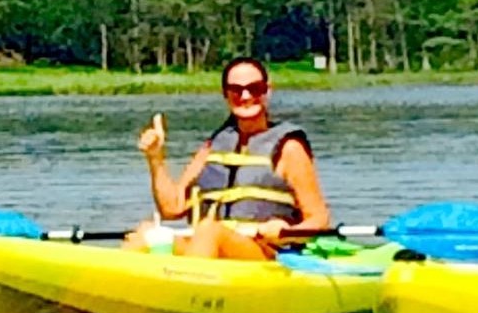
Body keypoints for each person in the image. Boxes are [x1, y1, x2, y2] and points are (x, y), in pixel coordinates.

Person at [129, 57, 332, 260]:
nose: (245, 96)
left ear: (267, 91)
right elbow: (171, 209)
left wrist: (285, 231)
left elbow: (319, 220)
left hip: (263, 255)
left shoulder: (289, 148)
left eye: (254, 88)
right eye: (236, 90)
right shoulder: (213, 147)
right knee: (145, 234)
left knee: (210, 230)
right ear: (225, 94)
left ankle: (188, 286)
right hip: (211, 251)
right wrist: (155, 157)